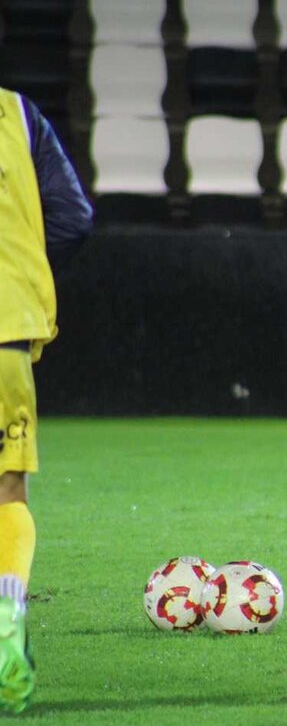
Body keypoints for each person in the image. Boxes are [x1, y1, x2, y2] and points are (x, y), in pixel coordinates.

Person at [0, 87, 94, 714]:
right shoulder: (16, 113)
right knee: (6, 493)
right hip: (5, 323)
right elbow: (72, 216)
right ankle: (5, 627)